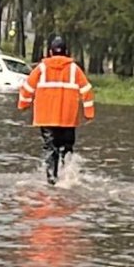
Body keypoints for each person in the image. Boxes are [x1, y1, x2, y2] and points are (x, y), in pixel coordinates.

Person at [17, 36, 95, 185]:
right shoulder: (74, 69)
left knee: (50, 147)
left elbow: (27, 88)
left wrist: (23, 105)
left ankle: (51, 179)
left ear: (50, 52)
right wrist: (88, 113)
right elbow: (86, 90)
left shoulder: (41, 68)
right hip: (68, 118)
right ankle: (68, 178)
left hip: (46, 117)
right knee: (67, 147)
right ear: (66, 52)